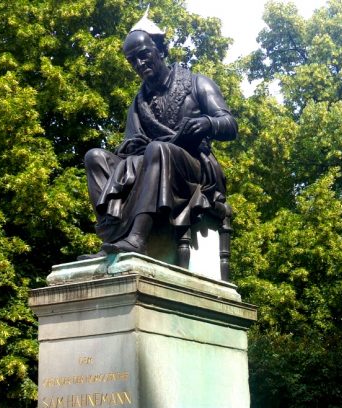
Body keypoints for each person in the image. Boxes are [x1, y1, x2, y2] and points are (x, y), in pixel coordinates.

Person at [79, 11, 237, 260]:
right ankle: (113, 237)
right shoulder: (139, 102)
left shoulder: (197, 83)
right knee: (95, 157)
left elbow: (230, 125)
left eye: (144, 55)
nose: (139, 64)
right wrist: (132, 146)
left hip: (195, 168)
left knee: (157, 149)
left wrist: (207, 123)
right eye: (133, 60)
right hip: (151, 165)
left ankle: (138, 238)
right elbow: (128, 146)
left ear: (161, 50)